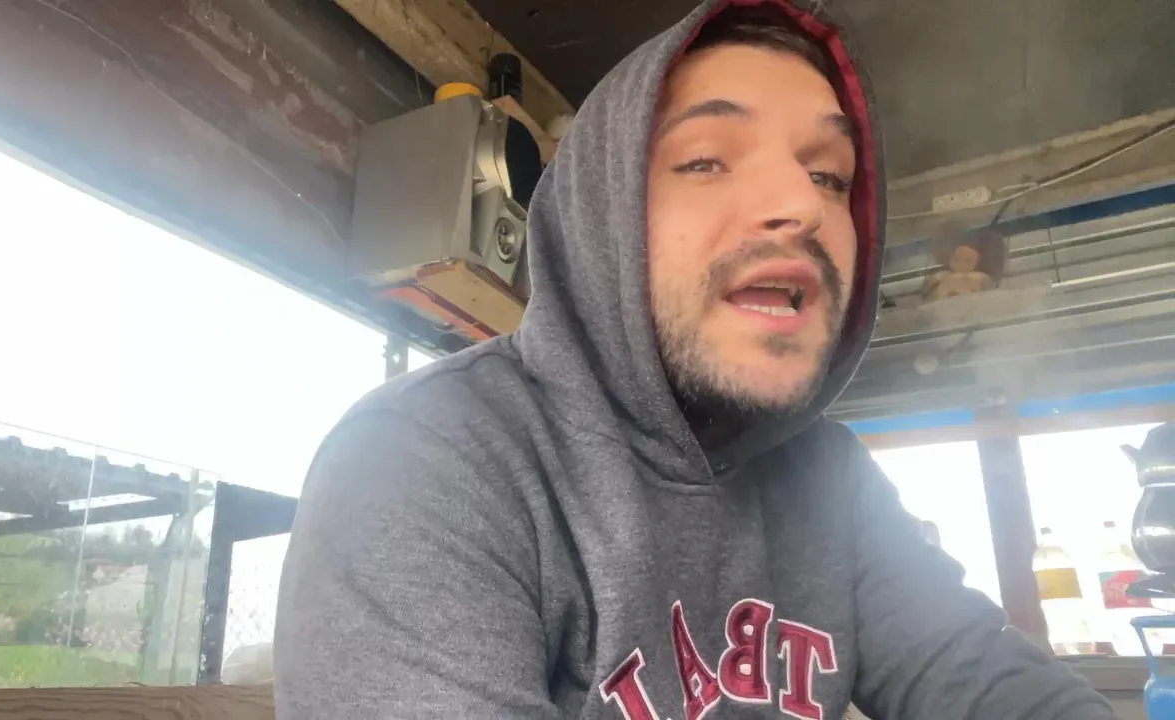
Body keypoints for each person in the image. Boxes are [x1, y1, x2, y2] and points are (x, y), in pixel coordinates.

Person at [275, 1, 1118, 718]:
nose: (800, 205)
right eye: (706, 160)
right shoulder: (425, 457)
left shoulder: (832, 480)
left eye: (830, 177)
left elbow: (989, 682)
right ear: (602, 222)